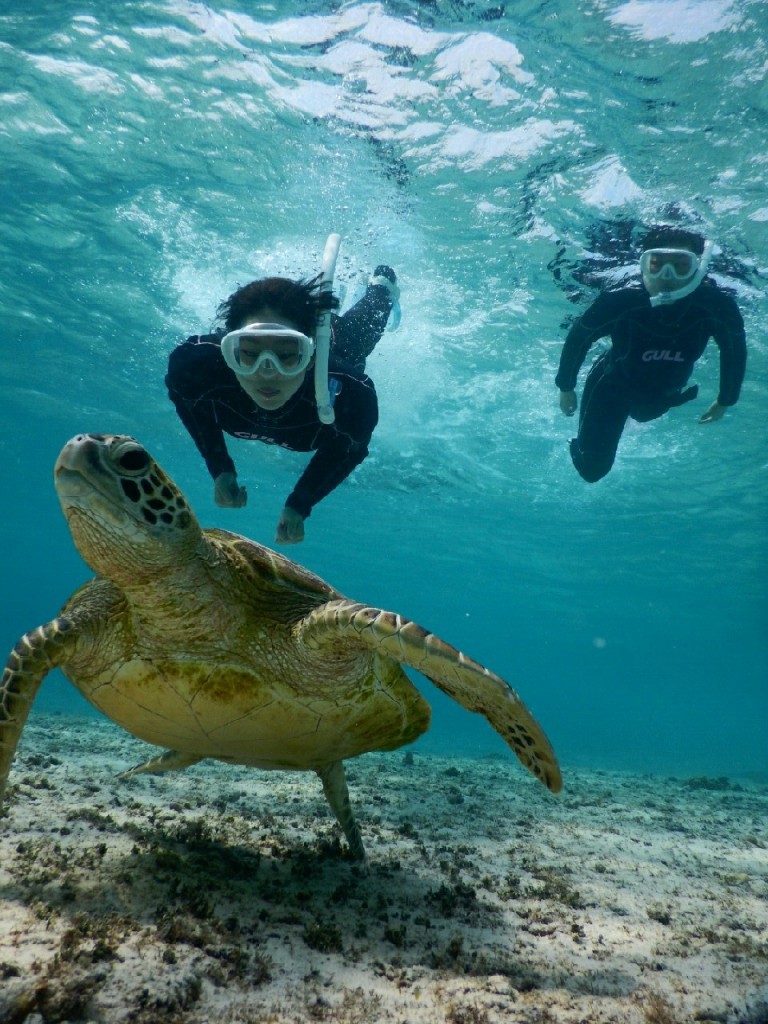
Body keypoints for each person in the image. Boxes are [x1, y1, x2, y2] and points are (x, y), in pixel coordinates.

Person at [166, 264, 399, 543]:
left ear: (310, 355)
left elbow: (347, 450)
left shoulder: (350, 396)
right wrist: (219, 467)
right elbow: (188, 403)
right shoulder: (197, 368)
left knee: (371, 313)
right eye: (250, 354)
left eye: (286, 355)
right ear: (229, 350)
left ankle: (381, 287)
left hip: (342, 346)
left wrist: (300, 504)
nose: (267, 373)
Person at [555, 227, 747, 482]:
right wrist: (566, 387)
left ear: (698, 268)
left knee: (643, 415)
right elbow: (579, 337)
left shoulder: (716, 306)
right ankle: (580, 440)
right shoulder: (620, 300)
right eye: (657, 265)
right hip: (612, 384)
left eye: (680, 266)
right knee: (593, 470)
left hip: (663, 392)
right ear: (643, 265)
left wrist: (726, 399)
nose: (667, 277)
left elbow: (734, 350)